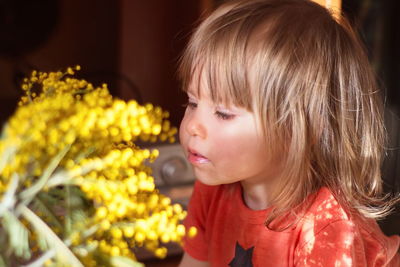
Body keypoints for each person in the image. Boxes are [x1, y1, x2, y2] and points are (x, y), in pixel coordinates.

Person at [176, 0, 400, 266]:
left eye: (224, 114)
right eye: (192, 102)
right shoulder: (212, 191)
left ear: (299, 128)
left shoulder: (327, 229)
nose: (192, 126)